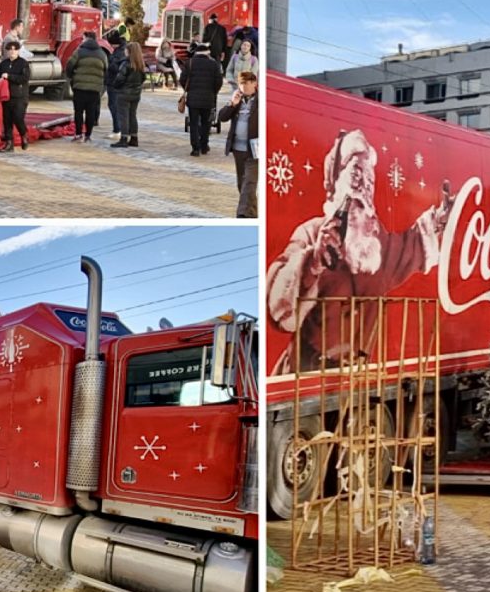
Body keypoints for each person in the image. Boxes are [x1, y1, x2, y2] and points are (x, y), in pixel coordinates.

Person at [265, 128, 455, 376]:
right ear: (335, 181)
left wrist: (438, 221)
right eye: (355, 172)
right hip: (305, 373)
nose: (363, 184)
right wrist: (313, 262)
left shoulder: (378, 246)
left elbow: (412, 246)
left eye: (369, 177)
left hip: (358, 373)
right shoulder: (313, 232)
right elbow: (277, 306)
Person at [217, 69, 258, 216]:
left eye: (247, 83)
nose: (244, 87)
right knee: (242, 184)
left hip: (254, 150)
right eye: (241, 84)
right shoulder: (237, 100)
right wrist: (232, 104)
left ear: (255, 83)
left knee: (249, 184)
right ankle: (252, 213)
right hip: (237, 149)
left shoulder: (260, 100)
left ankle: (243, 215)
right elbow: (222, 117)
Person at [180, 41, 224, 156]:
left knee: (193, 123)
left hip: (193, 98)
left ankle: (195, 148)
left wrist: (189, 89)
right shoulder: (214, 65)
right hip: (208, 98)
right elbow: (219, 81)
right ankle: (204, 145)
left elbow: (183, 79)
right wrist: (214, 91)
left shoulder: (190, 63)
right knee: (206, 123)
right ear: (207, 54)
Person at [65, 30, 106, 142]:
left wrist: (71, 77)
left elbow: (70, 65)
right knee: (91, 112)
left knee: (78, 112)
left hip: (79, 87)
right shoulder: (101, 53)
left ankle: (78, 134)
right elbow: (106, 68)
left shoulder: (79, 51)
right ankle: (88, 135)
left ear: (86, 38)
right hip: (94, 89)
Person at [0, 40, 30, 151]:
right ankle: (9, 143)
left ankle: (24, 135)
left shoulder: (23, 63)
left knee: (18, 118)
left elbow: (24, 78)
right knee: (7, 120)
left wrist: (9, 76)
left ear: (18, 51)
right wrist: (0, 79)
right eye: (10, 50)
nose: (12, 52)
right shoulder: (4, 63)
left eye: (15, 49)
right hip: (6, 96)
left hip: (20, 96)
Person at [111, 42, 146, 148]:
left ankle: (124, 138)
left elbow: (119, 79)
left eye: (126, 50)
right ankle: (134, 138)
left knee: (123, 116)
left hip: (124, 93)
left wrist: (115, 86)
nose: (125, 52)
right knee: (132, 115)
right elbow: (143, 79)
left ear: (129, 52)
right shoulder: (140, 64)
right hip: (135, 94)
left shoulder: (126, 64)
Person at [104, 31, 127, 140]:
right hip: (114, 83)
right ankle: (118, 129)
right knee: (114, 106)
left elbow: (117, 69)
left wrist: (110, 62)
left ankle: (117, 130)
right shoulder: (121, 50)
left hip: (114, 84)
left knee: (114, 106)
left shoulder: (120, 53)